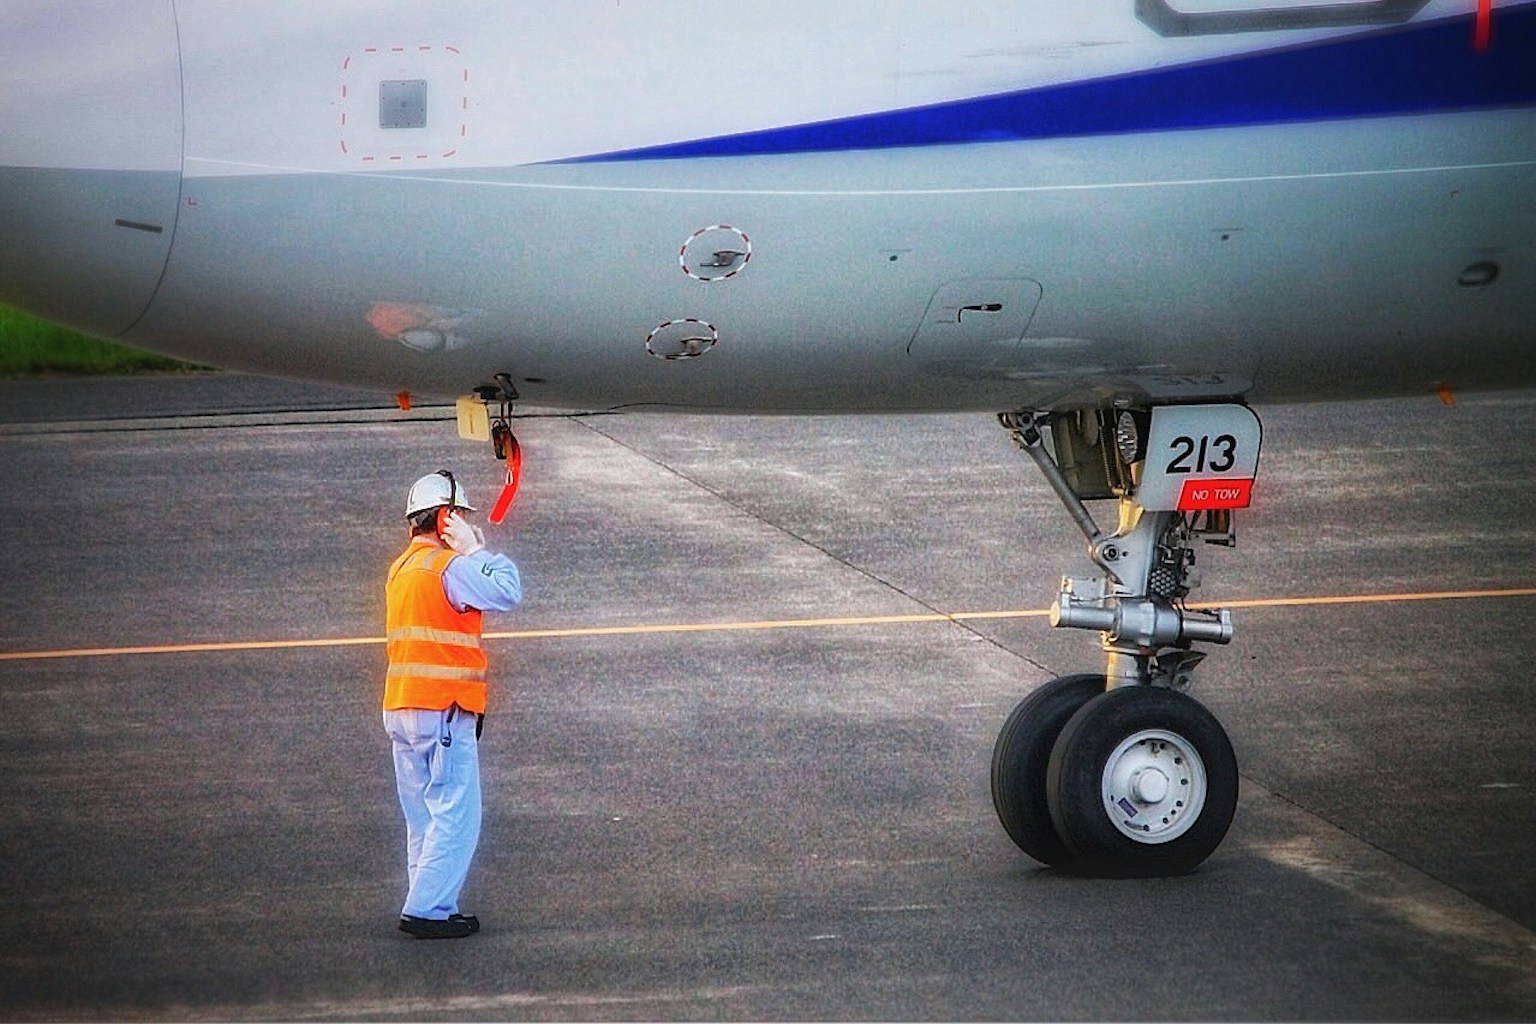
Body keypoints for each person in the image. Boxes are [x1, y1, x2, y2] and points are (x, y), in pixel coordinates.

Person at [384, 469, 522, 939]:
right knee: (456, 813)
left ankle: (428, 901)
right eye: (460, 515)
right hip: (443, 707)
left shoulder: (403, 568)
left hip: (403, 706)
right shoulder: (451, 567)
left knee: (423, 814)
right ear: (446, 518)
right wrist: (474, 548)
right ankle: (426, 910)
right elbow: (508, 590)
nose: (466, 522)